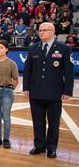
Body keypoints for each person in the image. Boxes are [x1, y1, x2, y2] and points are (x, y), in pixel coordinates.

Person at [23, 22, 74, 158]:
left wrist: (67, 91)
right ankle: (39, 145)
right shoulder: (33, 48)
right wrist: (26, 87)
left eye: (44, 30)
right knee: (38, 121)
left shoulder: (64, 48)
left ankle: (51, 147)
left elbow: (69, 72)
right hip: (36, 91)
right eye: (40, 30)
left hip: (54, 92)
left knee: (53, 122)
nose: (41, 32)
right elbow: (27, 70)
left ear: (52, 32)